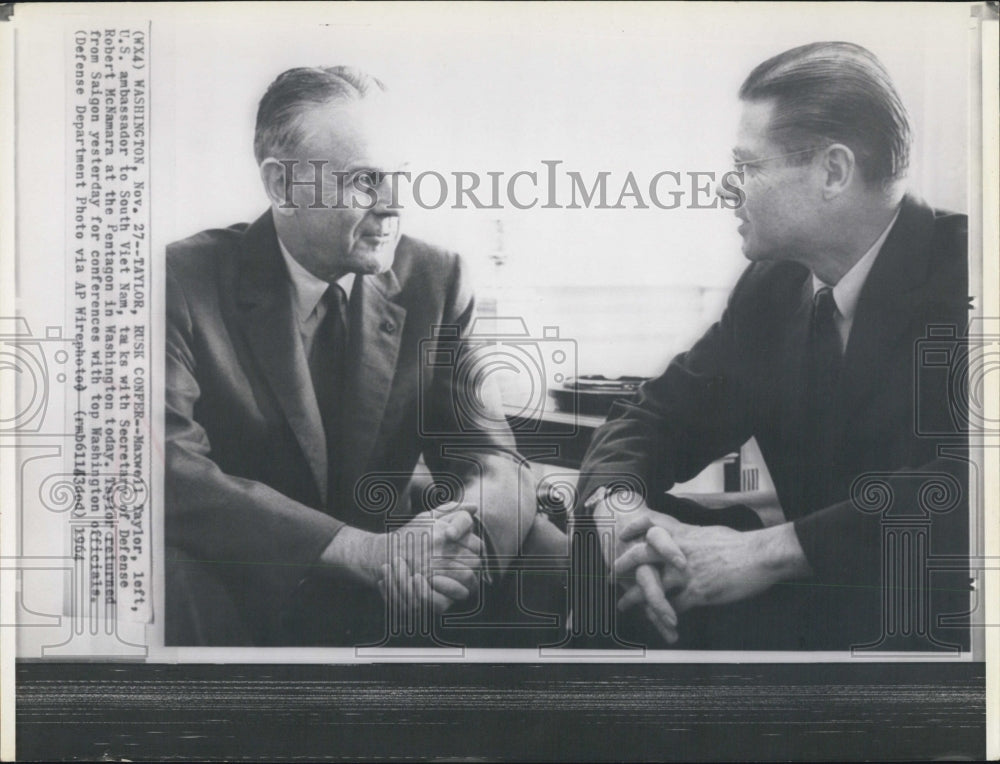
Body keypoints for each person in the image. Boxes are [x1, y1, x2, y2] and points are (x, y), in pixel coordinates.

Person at [575, 42, 970, 651]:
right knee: (632, 574)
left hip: (954, 632)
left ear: (833, 172)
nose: (728, 189)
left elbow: (970, 490)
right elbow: (658, 415)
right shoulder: (774, 286)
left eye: (748, 167)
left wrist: (762, 552)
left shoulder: (973, 274)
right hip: (829, 615)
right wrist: (618, 513)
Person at [165, 66, 561, 646]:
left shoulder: (436, 279)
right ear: (282, 187)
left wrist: (454, 534)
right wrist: (359, 551)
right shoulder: (179, 280)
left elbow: (490, 458)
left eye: (401, 175)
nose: (395, 203)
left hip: (396, 579)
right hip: (250, 581)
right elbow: (169, 470)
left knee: (547, 547)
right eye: (365, 181)